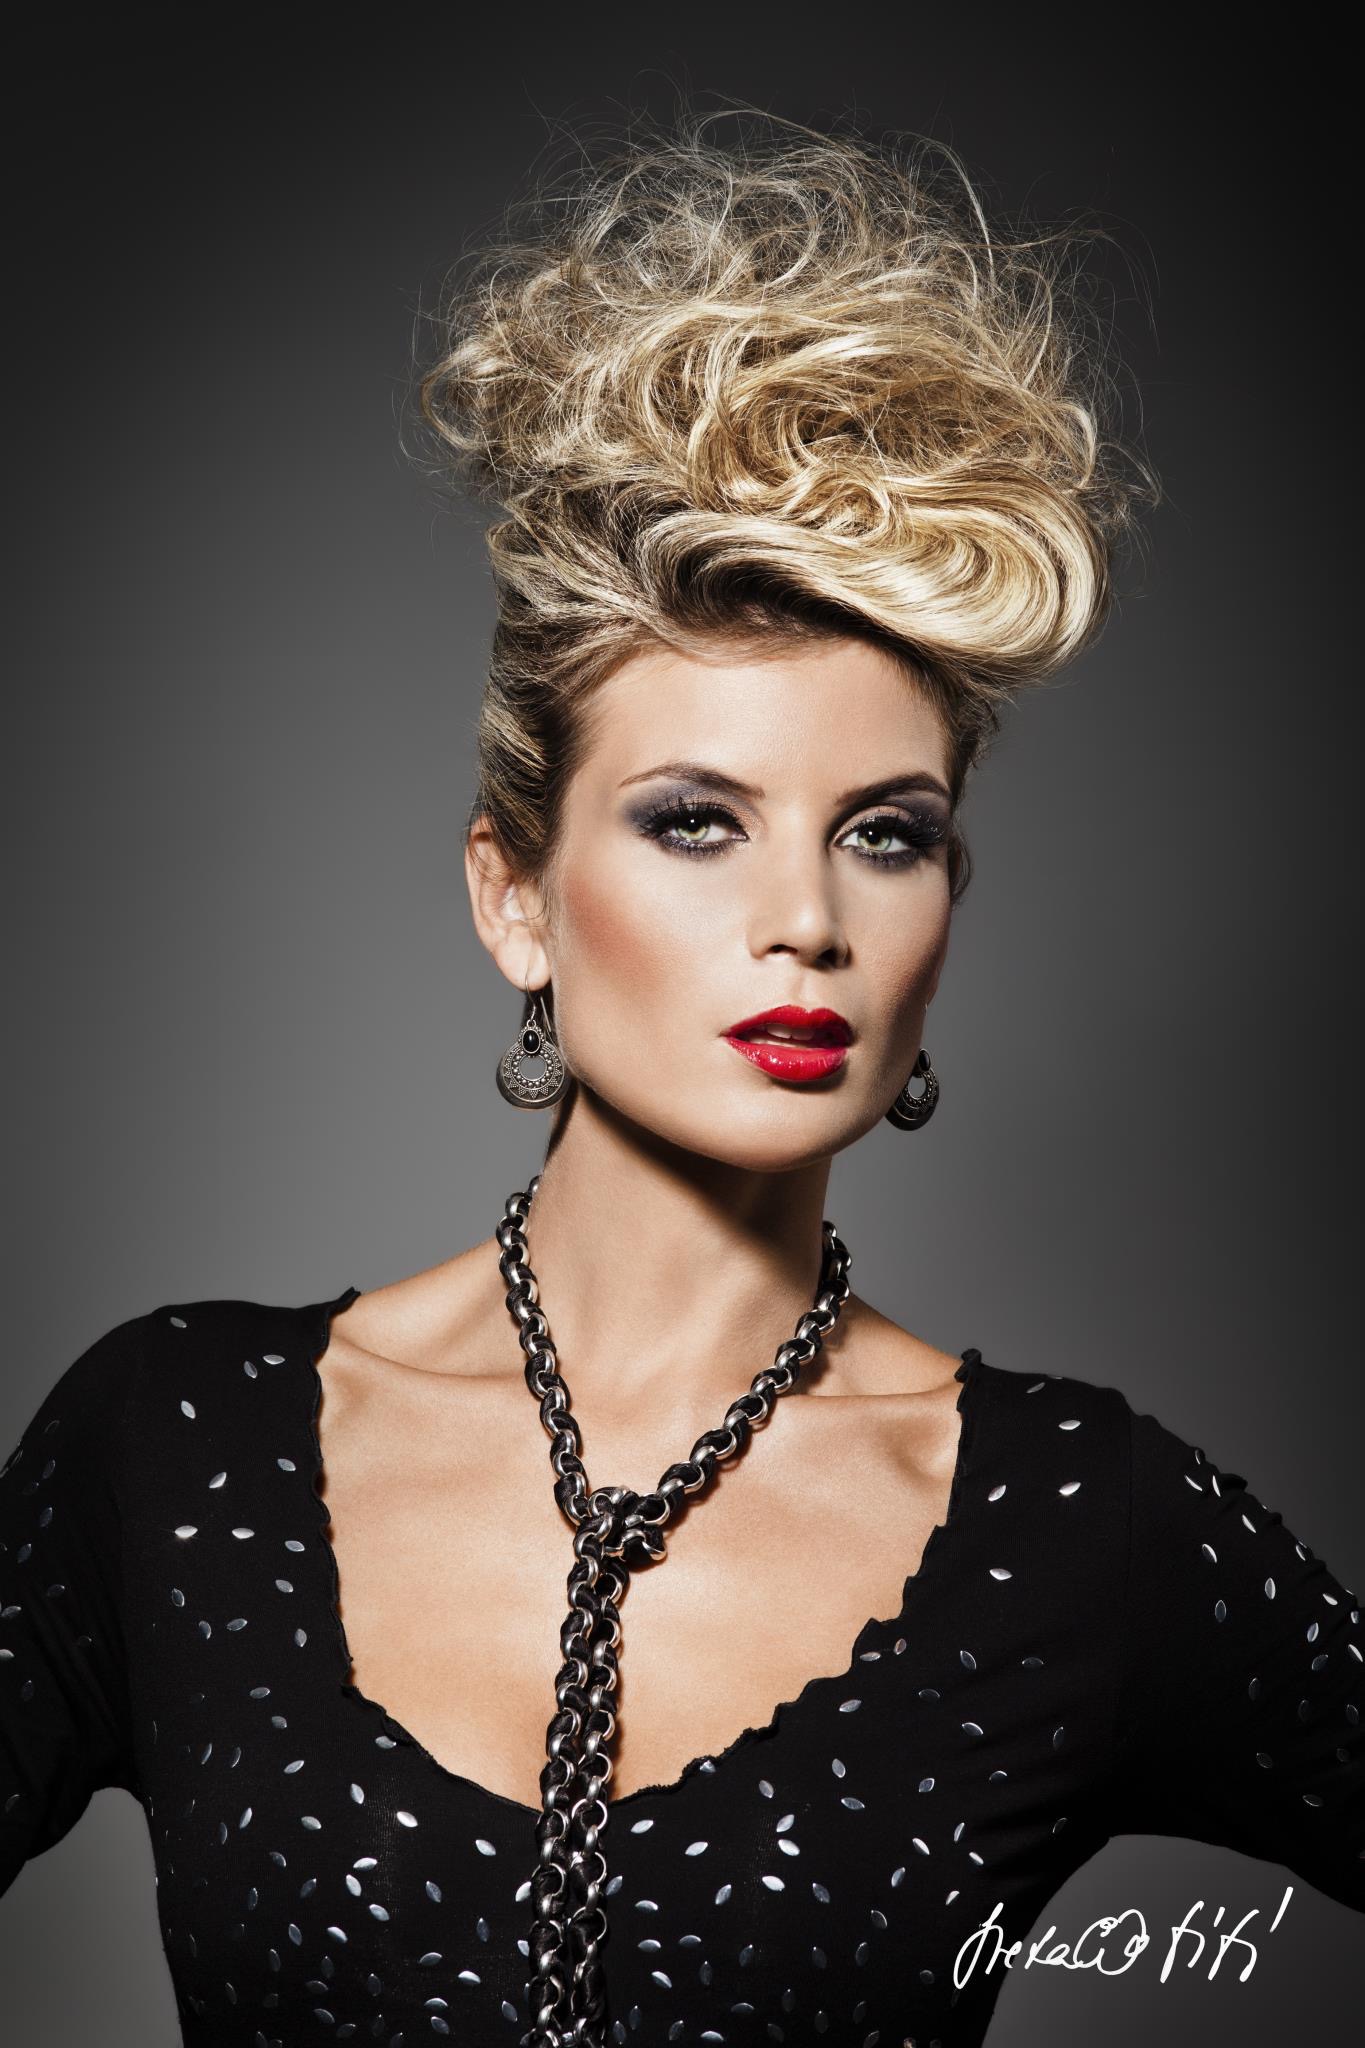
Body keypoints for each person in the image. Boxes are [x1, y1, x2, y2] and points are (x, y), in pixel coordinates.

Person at [1, 108, 1360, 2048]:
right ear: (516, 894)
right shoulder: (177, 1442)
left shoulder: (1074, 1521)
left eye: (884, 833)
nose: (804, 917)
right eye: (693, 821)